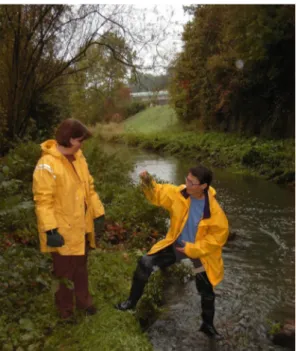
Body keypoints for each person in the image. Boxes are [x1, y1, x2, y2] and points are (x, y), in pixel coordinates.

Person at [116, 165, 229, 340]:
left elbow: (217, 239)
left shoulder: (214, 211)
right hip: (177, 245)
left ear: (203, 186)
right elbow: (159, 193)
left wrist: (192, 249)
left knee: (206, 289)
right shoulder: (180, 194)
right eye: (187, 179)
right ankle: (131, 302)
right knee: (145, 263)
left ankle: (207, 325)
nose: (187, 184)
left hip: (200, 254)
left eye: (192, 182)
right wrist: (148, 182)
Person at [33, 119, 105, 321]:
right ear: (70, 139)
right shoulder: (46, 165)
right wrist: (50, 231)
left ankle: (84, 302)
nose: (82, 144)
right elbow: (43, 202)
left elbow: (89, 188)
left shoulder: (79, 157)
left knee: (81, 267)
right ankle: (66, 312)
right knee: (64, 273)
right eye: (80, 140)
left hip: (81, 226)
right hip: (62, 230)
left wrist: (98, 213)